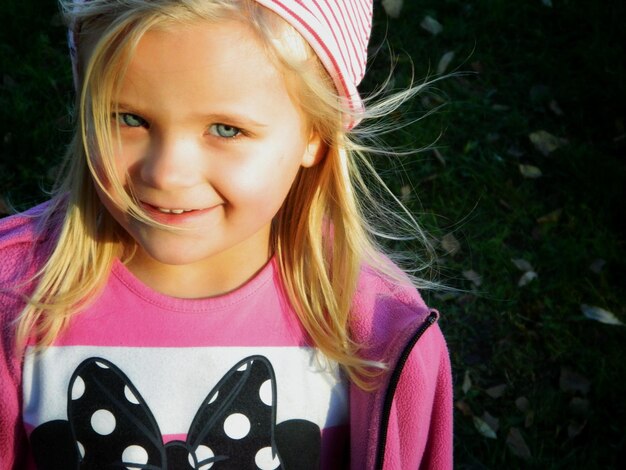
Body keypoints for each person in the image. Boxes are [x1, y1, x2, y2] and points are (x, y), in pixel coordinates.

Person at [0, 0, 453, 468]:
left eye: (225, 129)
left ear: (316, 134)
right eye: (129, 119)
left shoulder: (374, 333)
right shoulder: (14, 301)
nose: (167, 173)